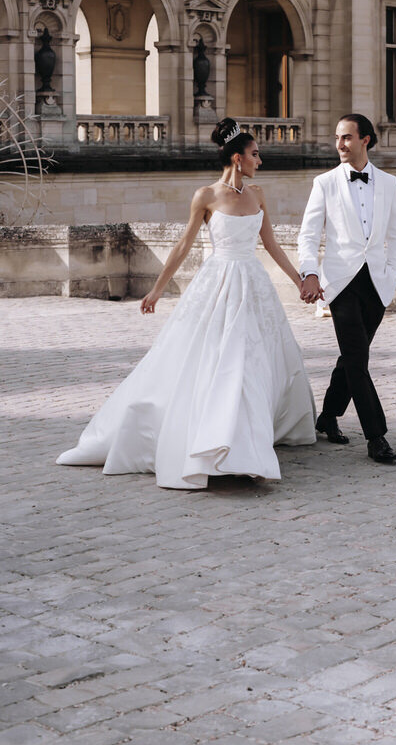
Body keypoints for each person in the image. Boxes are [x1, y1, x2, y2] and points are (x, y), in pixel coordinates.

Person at [57, 118, 316, 489]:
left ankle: (243, 448)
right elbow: (183, 246)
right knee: (219, 361)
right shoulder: (205, 196)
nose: (261, 160)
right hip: (217, 284)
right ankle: (219, 445)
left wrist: (300, 281)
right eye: (255, 154)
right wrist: (157, 290)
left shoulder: (258, 195)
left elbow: (271, 245)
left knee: (250, 363)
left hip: (253, 287)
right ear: (237, 158)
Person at [297, 113, 396, 464]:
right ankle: (377, 437)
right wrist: (309, 272)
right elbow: (309, 234)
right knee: (359, 360)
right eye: (337, 138)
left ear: (366, 141)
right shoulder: (324, 183)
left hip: (376, 284)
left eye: (346, 137)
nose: (340, 144)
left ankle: (328, 417)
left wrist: (391, 272)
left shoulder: (389, 184)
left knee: (350, 359)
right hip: (340, 284)